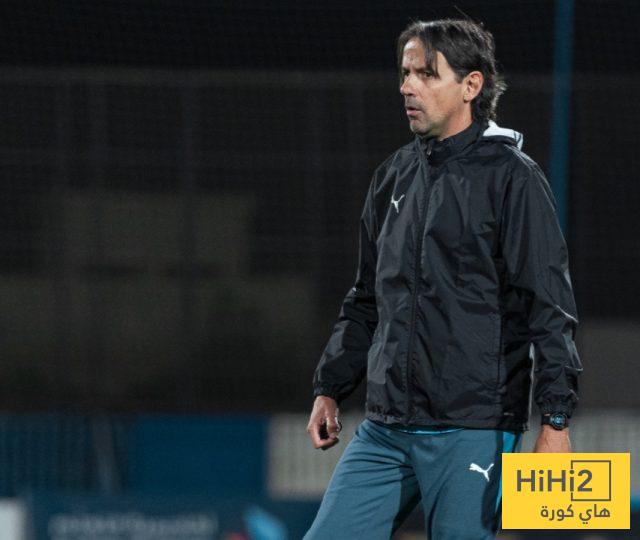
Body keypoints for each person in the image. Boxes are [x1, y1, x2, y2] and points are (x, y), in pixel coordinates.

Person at [303, 18, 583, 540]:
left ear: (471, 85)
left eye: (426, 74)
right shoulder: (391, 176)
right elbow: (366, 298)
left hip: (473, 428)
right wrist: (330, 387)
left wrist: (556, 421)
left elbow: (550, 309)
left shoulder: (514, 178)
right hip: (386, 429)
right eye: (405, 73)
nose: (407, 86)